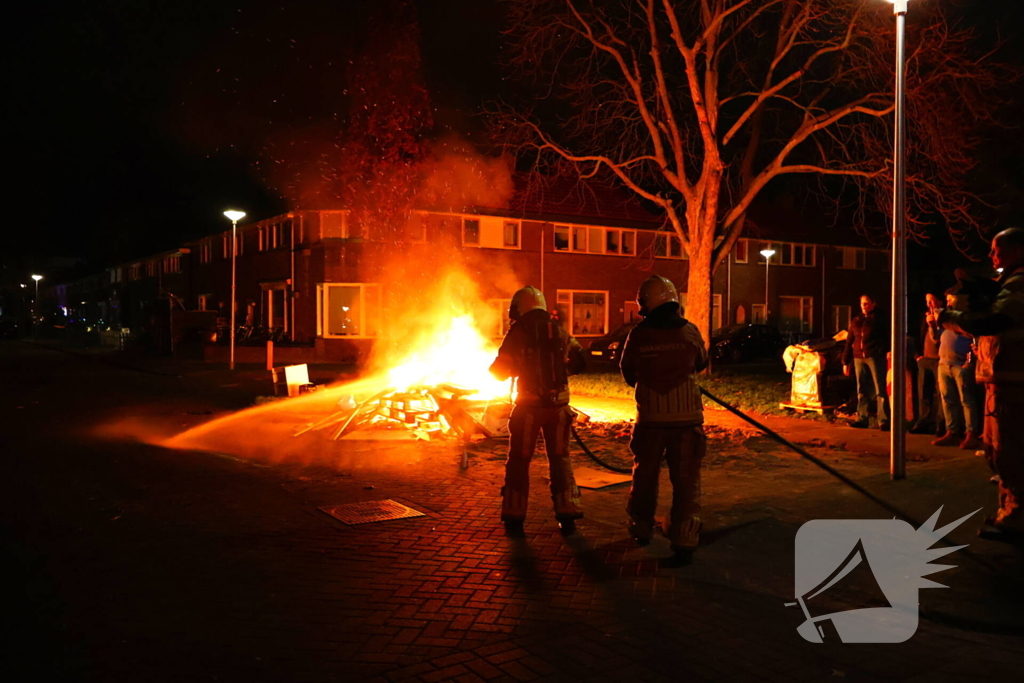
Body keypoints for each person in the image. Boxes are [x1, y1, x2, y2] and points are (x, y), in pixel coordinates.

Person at [619, 275, 708, 559]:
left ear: (647, 303)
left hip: (651, 419)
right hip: (687, 420)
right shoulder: (690, 331)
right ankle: (684, 536)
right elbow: (702, 362)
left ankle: (642, 526)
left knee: (645, 476)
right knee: (686, 480)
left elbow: (628, 373)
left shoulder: (638, 334)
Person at [943, 228, 1024, 539]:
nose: (991, 256)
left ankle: (1016, 518)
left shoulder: (1018, 284)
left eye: (997, 250)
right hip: (1001, 382)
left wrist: (952, 317)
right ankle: (1009, 512)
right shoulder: (1009, 284)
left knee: (1010, 452)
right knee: (998, 451)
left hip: (1013, 385)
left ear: (1017, 251)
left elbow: (995, 321)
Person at [489, 285, 586, 537]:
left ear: (519, 307)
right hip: (560, 409)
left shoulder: (518, 332)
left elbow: (499, 371)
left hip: (529, 409)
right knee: (560, 458)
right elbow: (580, 361)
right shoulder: (559, 329)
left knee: (520, 461)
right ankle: (568, 514)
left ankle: (514, 516)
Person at [931, 286, 982, 449]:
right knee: (948, 400)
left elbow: (977, 340)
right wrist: (932, 325)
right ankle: (951, 432)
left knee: (966, 400)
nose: (948, 302)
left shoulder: (967, 318)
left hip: (961, 364)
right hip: (944, 363)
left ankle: (971, 434)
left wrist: (970, 361)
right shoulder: (948, 318)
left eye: (951, 299)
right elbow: (936, 339)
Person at [842, 294, 891, 430]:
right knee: (861, 389)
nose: (864, 306)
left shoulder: (879, 319)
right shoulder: (857, 320)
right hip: (858, 357)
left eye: (867, 303)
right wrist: (845, 361)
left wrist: (883, 350)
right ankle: (862, 418)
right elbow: (849, 340)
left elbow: (888, 336)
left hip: (874, 356)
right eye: (862, 303)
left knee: (879, 388)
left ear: (873, 304)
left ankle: (883, 420)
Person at [910, 293, 945, 436]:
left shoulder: (945, 317)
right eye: (927, 301)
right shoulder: (923, 317)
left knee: (940, 393)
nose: (929, 304)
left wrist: (934, 323)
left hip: (939, 359)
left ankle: (940, 425)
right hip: (924, 359)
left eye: (932, 300)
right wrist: (917, 355)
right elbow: (917, 335)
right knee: (923, 393)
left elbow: (938, 337)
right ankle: (922, 422)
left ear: (939, 301)